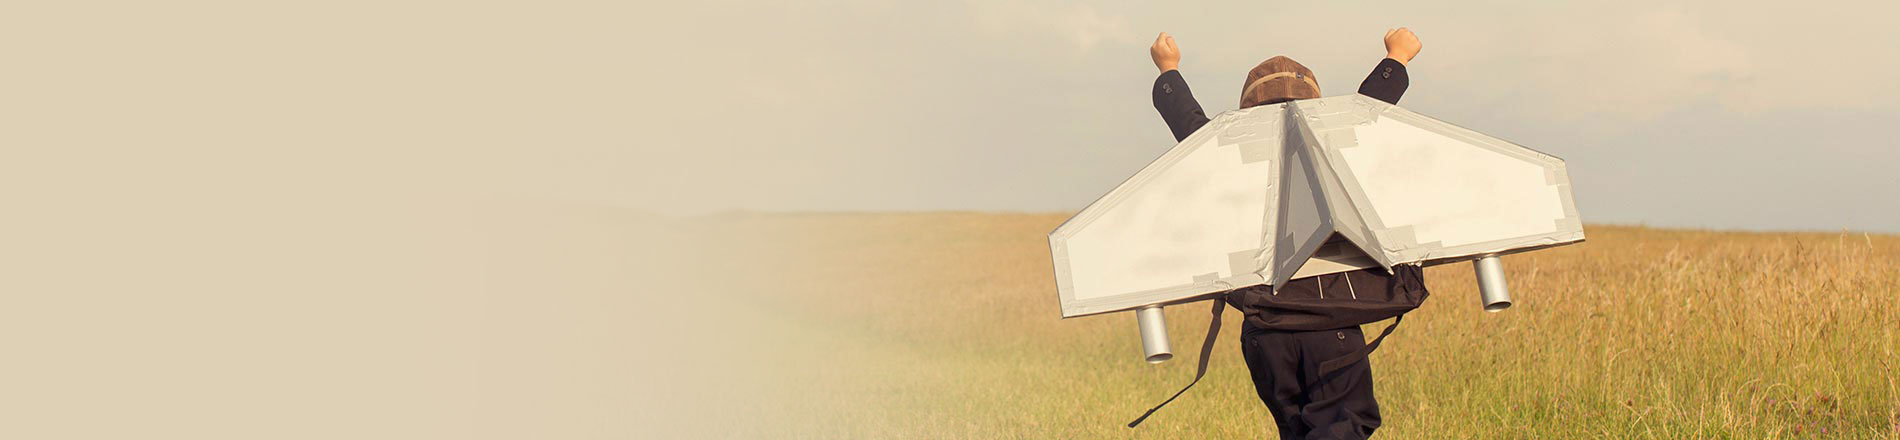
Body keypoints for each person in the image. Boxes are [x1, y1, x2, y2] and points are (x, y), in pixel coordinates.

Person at [1146, 29, 1426, 440]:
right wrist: (1397, 58)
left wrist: (1168, 69)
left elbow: (1189, 125)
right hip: (1331, 326)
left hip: (1265, 335)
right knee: (1344, 426)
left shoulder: (1227, 160)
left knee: (1296, 432)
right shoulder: (1331, 150)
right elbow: (1368, 112)